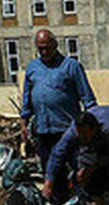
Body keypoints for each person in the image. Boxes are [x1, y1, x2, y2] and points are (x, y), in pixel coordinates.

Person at [19, 29, 97, 174]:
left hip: (68, 130)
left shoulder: (71, 66)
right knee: (51, 173)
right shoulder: (32, 68)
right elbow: (27, 96)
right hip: (43, 131)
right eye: (40, 48)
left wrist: (92, 126)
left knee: (78, 170)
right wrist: (24, 121)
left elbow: (87, 98)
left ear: (55, 45)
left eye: (46, 48)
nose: (44, 52)